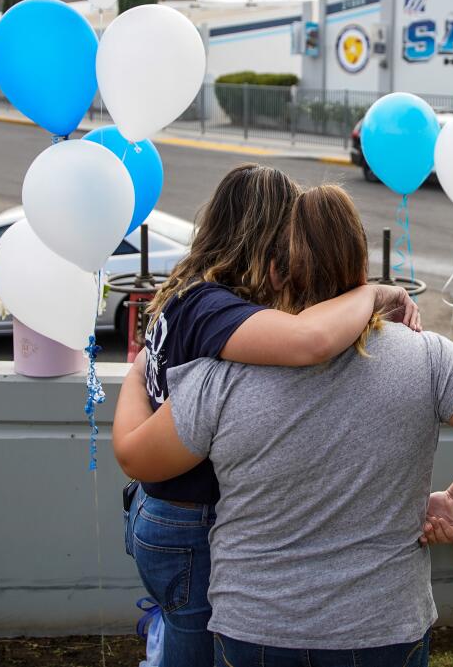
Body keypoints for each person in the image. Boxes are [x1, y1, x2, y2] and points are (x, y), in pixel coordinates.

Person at [114, 184, 453, 666]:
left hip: (256, 627)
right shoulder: (426, 357)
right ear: (361, 266)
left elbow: (139, 459)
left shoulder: (220, 375)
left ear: (274, 271)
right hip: (384, 624)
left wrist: (138, 367)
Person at [114, 165, 421, 667]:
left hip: (160, 515)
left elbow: (146, 374)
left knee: (181, 640)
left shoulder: (189, 289)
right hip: (190, 525)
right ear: (266, 234)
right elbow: (311, 341)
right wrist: (370, 293)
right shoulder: (215, 308)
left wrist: (135, 375)